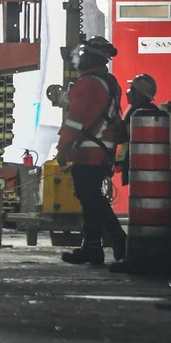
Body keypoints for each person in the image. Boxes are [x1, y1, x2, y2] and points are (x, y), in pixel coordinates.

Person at [56, 36, 127, 266]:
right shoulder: (109, 82)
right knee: (91, 199)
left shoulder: (87, 84)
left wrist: (63, 149)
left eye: (84, 54)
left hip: (88, 154)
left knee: (92, 199)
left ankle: (118, 240)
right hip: (103, 150)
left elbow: (75, 121)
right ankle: (92, 248)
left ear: (91, 57)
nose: (81, 58)